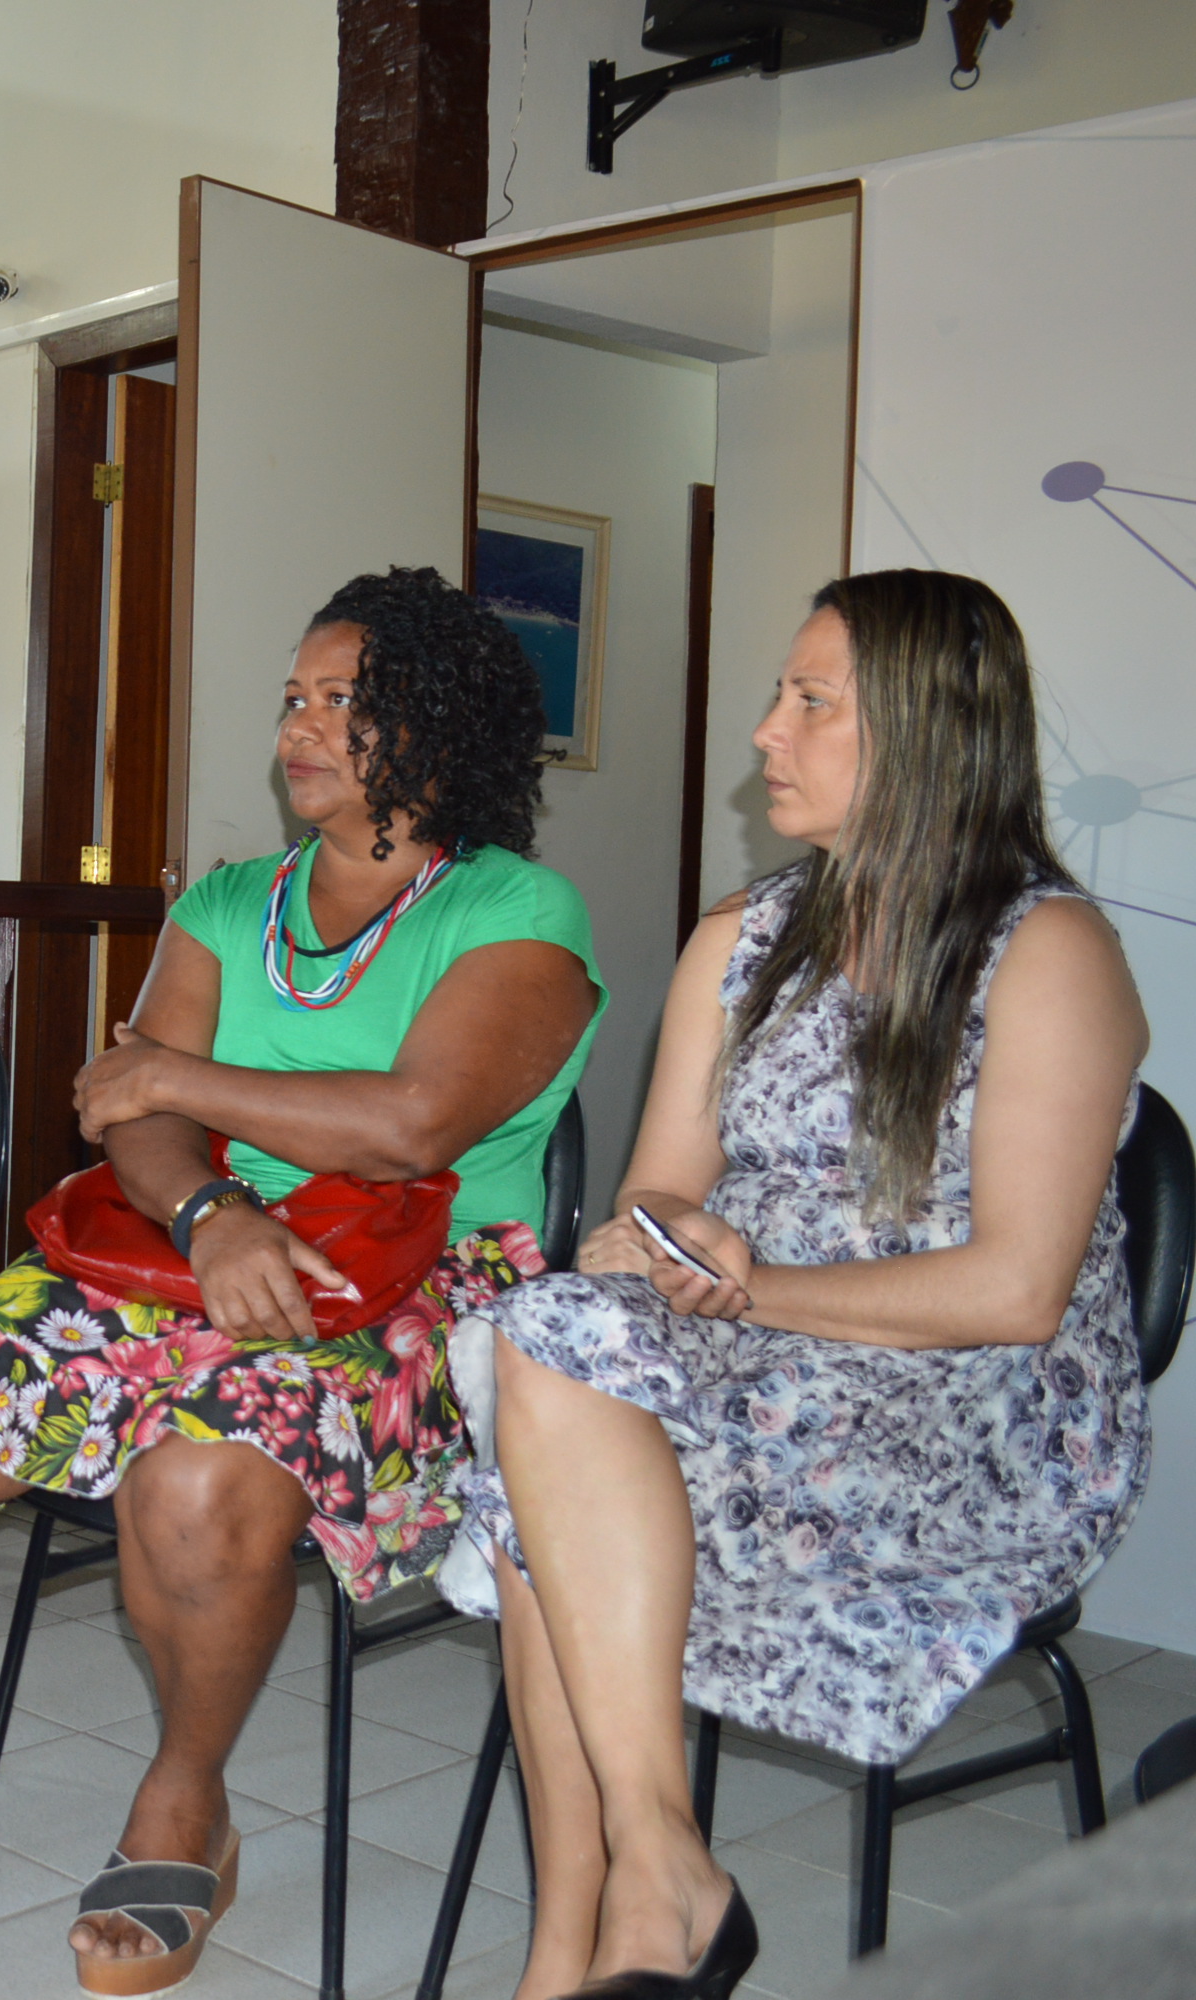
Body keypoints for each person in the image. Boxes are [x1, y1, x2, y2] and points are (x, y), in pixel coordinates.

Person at [0, 565, 601, 1989]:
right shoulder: (235, 900)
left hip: (405, 1282)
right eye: (293, 698)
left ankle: (188, 1800)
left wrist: (178, 1073)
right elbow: (131, 1121)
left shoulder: (516, 910)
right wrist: (215, 1214)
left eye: (342, 701)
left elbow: (416, 1117)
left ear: (437, 721)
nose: (300, 726)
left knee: (200, 1476)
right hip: (187, 1246)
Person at [456, 570, 1148, 2000]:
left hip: (967, 1414)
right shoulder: (746, 938)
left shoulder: (1051, 952)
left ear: (928, 732)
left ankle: (597, 1929)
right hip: (757, 1359)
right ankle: (647, 1885)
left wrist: (747, 1288)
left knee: (546, 1471)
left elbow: (1018, 1291)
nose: (767, 732)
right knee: (553, 1339)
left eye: (811, 702)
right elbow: (655, 1192)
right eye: (781, 696)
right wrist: (660, 1247)